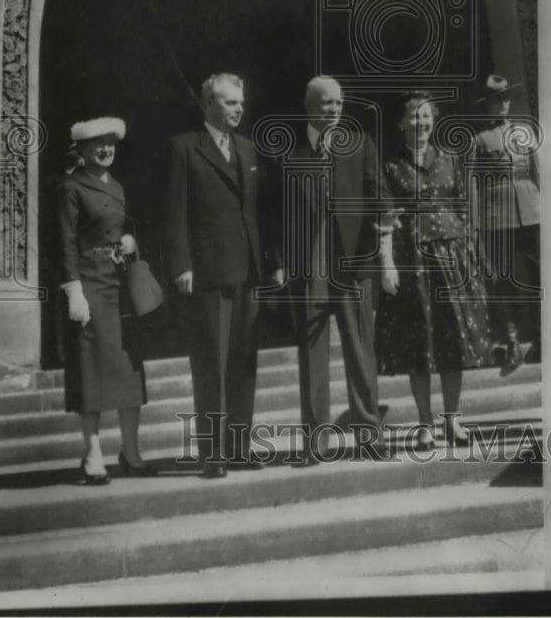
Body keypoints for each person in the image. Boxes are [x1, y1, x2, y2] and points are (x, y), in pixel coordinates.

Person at [165, 74, 281, 478]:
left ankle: (239, 447)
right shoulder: (185, 148)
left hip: (247, 270)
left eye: (241, 103)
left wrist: (273, 261)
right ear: (208, 105)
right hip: (210, 272)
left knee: (243, 361)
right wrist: (181, 264)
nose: (239, 110)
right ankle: (211, 453)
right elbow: (175, 212)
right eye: (231, 103)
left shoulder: (247, 149)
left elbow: (258, 212)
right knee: (210, 362)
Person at [375, 92, 493, 449]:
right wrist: (387, 262)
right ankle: (425, 422)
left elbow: (465, 209)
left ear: (434, 121)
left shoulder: (451, 160)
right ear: (401, 123)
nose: (420, 123)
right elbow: (385, 219)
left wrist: (471, 258)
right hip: (412, 264)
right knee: (419, 345)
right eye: (413, 116)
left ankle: (452, 421)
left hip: (451, 261)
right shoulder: (389, 165)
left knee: (452, 342)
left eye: (426, 117)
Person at [286, 76, 385, 464]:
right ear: (309, 106)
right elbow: (275, 213)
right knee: (312, 358)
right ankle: (317, 442)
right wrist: (279, 264)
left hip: (352, 263)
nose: (335, 109)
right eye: (327, 103)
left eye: (339, 102)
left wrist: (385, 228)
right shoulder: (290, 154)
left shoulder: (359, 145)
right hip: (310, 267)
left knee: (360, 350)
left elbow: (378, 194)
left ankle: (368, 433)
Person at [58, 117, 152, 484]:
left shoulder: (117, 186)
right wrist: (73, 289)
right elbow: (64, 241)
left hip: (119, 286)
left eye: (111, 142)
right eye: (97, 143)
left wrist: (130, 239)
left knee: (129, 370)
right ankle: (92, 454)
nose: (106, 149)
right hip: (90, 284)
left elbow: (124, 225)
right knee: (92, 369)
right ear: (81, 149)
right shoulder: (71, 187)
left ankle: (130, 451)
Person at [472, 74, 541, 367]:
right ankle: (511, 341)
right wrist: (475, 223)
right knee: (501, 280)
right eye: (494, 100)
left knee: (538, 276)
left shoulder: (525, 133)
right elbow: (472, 184)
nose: (501, 104)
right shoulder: (478, 140)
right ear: (486, 104)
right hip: (495, 216)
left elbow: (540, 173)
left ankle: (541, 338)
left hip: (530, 211)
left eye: (504, 98)